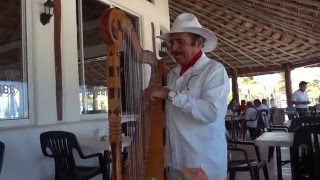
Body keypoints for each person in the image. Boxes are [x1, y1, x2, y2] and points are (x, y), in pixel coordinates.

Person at [142, 13, 230, 179]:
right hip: (175, 164)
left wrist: (169, 94)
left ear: (198, 43)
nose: (173, 48)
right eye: (171, 42)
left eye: (180, 42)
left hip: (203, 167)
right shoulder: (173, 75)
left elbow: (211, 113)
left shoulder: (214, 70)